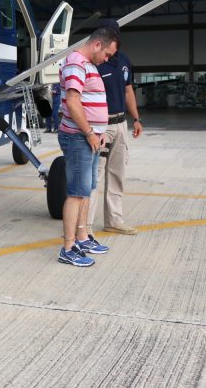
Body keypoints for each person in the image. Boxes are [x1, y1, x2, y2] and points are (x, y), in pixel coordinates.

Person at [56, 25, 119, 267]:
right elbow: (73, 102)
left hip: (90, 138)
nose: (107, 60)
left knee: (86, 189)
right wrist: (90, 132)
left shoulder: (89, 65)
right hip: (78, 137)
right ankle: (68, 247)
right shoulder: (76, 63)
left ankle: (82, 237)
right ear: (96, 44)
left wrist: (98, 132)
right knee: (76, 193)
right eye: (107, 54)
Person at [87, 21, 143, 235]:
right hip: (101, 126)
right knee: (95, 176)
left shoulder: (125, 61)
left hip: (121, 124)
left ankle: (114, 221)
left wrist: (136, 119)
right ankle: (86, 227)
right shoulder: (95, 62)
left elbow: (128, 91)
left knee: (117, 174)